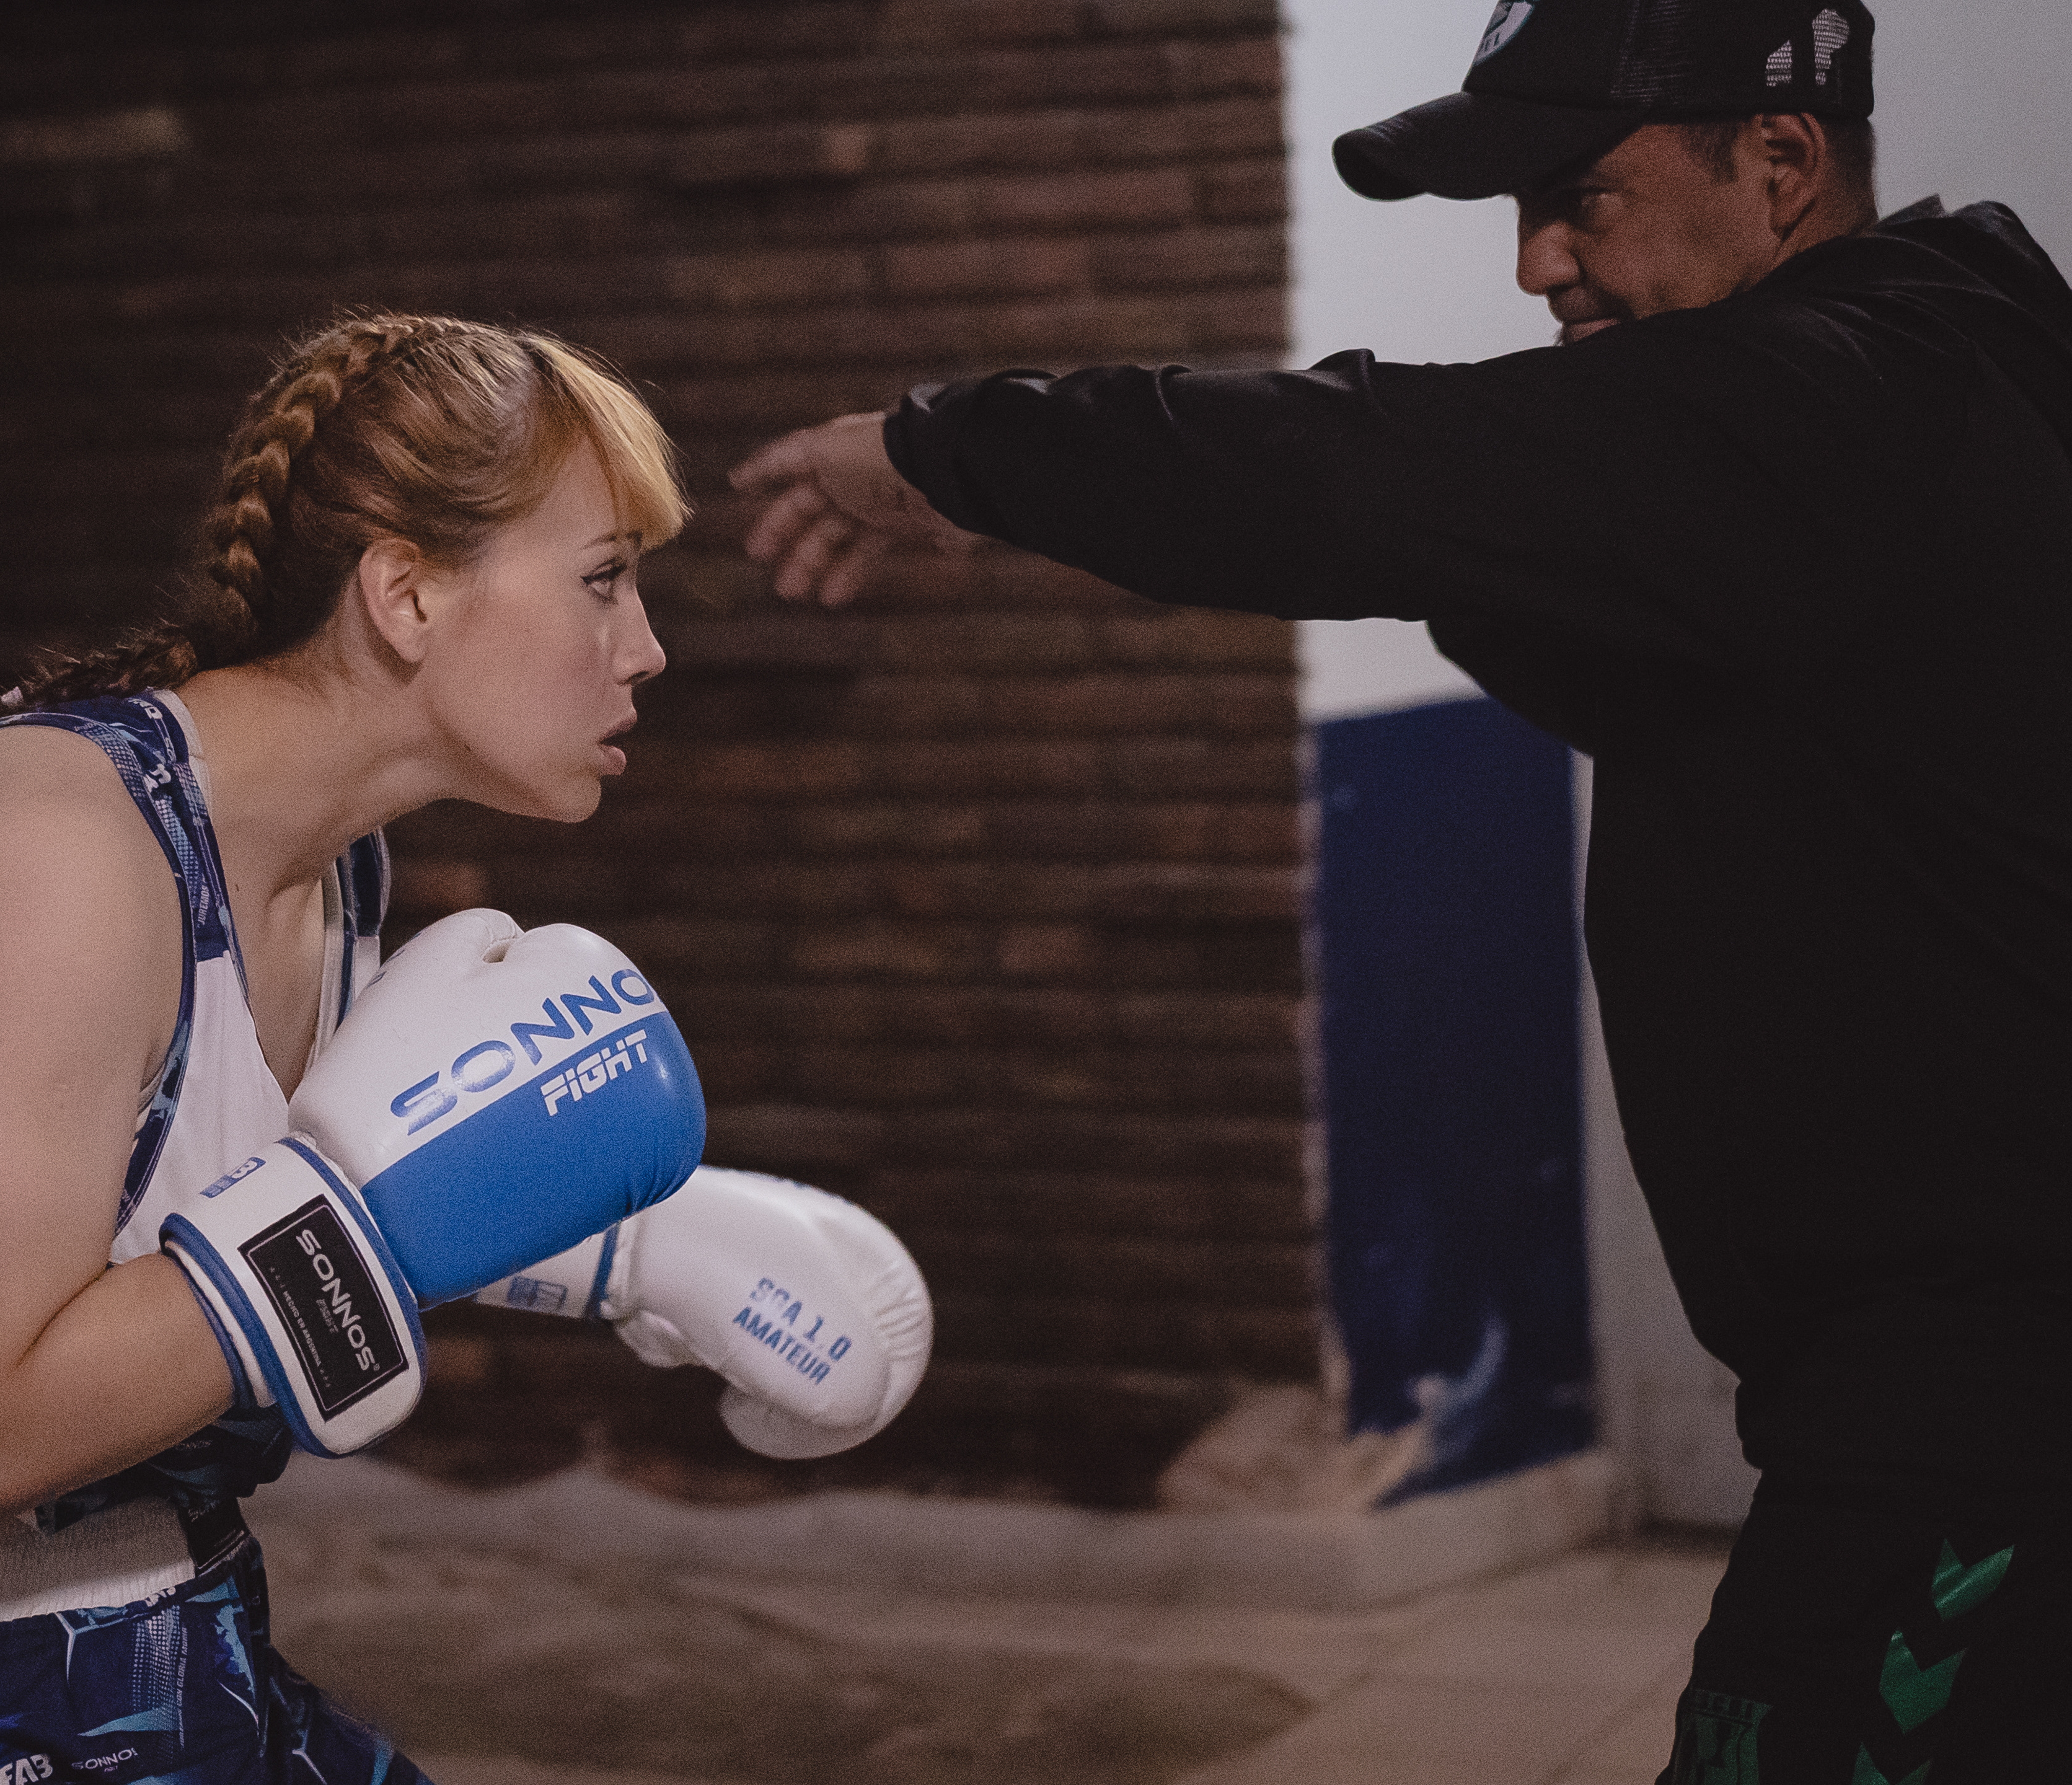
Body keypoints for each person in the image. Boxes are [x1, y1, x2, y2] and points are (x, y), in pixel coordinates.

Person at [728, 1, 2071, 1779]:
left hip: (1988, 1387)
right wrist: (1083, 513)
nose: (1537, 263)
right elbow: (1527, 575)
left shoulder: (1843, 397)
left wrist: (951, 453)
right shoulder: (1912, 397)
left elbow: (1387, 466)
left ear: (1779, 161)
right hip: (1926, 1364)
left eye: (1583, 196)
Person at [0, 313, 929, 1783]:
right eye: (603, 578)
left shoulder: (322, 874)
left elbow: (209, 1235)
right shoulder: (54, 854)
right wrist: (371, 1227)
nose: (647, 647)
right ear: (405, 593)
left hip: (163, 1617)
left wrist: (625, 1252)